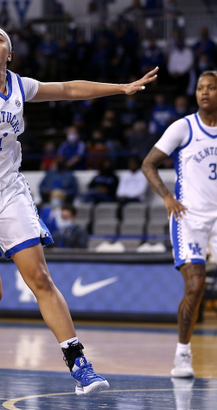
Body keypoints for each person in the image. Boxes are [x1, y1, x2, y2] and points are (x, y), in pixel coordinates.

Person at [0, 25, 157, 395]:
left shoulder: (20, 85)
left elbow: (68, 89)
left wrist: (120, 88)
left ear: (9, 53)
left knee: (40, 278)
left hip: (10, 190)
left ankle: (79, 364)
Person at [141, 70, 217, 378]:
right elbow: (148, 163)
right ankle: (183, 355)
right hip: (189, 218)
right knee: (196, 286)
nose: (205, 92)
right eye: (200, 87)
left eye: (211, 87)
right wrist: (166, 196)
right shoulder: (183, 127)